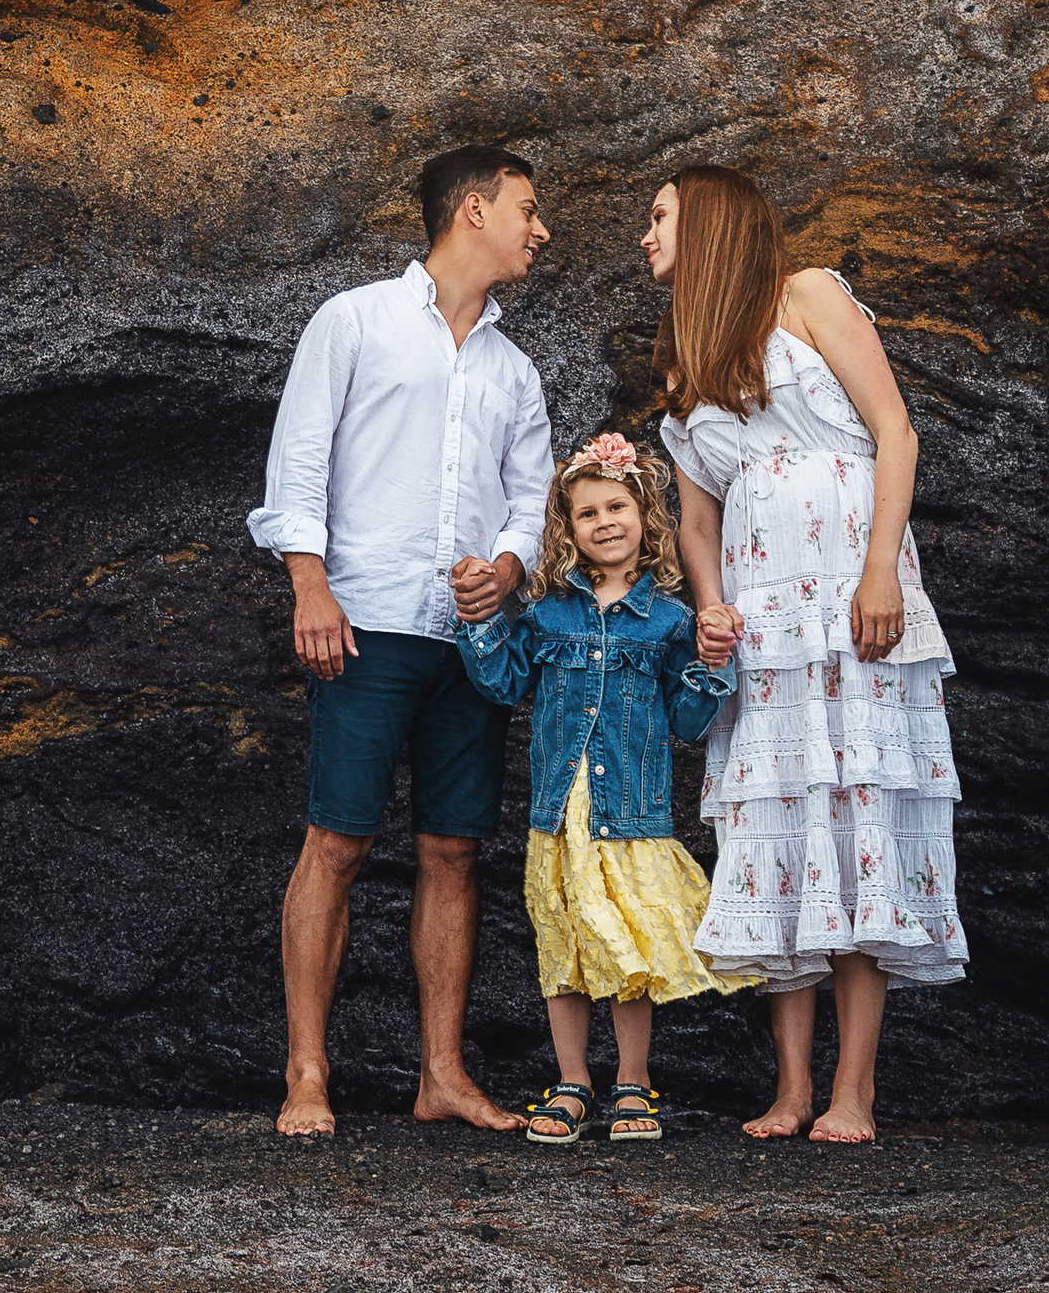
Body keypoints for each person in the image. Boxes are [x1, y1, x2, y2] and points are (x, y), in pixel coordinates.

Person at [646, 166, 966, 1144]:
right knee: (779, 836)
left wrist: (880, 574)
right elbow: (695, 518)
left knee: (855, 820)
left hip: (849, 596)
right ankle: (790, 1089)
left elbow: (896, 434)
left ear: (706, 221)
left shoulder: (810, 294)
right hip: (763, 624)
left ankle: (853, 1093)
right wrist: (709, 609)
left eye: (658, 219)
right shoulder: (690, 355)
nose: (645, 239)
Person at [247, 143, 554, 1138]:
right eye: (526, 208)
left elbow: (529, 505)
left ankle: (441, 1077)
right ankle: (305, 1075)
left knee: (453, 852)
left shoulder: (515, 369)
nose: (538, 230)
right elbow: (297, 464)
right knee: (335, 842)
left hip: (470, 643)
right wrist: (309, 587)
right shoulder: (355, 321)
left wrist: (505, 571)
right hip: (364, 622)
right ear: (472, 210)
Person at [454, 431, 749, 1143]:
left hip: (631, 814)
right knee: (565, 947)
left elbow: (687, 719)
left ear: (646, 515)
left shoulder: (673, 618)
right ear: (571, 532)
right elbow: (502, 683)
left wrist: (712, 661)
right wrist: (479, 619)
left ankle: (634, 1083)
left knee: (628, 951)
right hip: (559, 814)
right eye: (587, 514)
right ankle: (572, 1082)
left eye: (616, 505)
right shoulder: (549, 612)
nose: (605, 522)